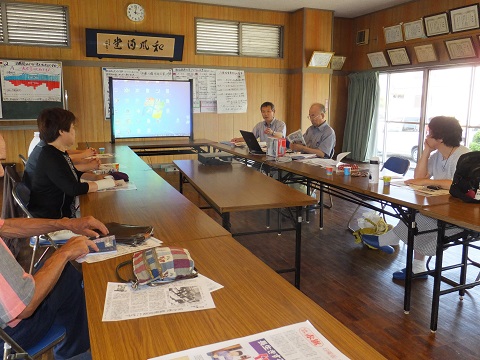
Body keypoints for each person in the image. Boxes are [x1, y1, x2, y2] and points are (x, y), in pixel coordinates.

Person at [365, 116, 469, 280]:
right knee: (417, 214)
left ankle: (390, 241)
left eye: (429, 133)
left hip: (463, 215)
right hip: (445, 208)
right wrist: (427, 151)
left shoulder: (464, 156)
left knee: (419, 217)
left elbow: (458, 185)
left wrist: (428, 181)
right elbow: (419, 177)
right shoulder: (438, 155)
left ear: (440, 137)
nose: (426, 136)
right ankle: (417, 267)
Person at [0, 215, 108, 360]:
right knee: (65, 274)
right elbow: (25, 306)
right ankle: (72, 354)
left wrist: (65, 224)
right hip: (8, 337)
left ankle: (71, 351)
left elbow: (6, 226)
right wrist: (63, 253)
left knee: (60, 273)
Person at [24, 108, 123, 219]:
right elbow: (73, 189)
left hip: (63, 214)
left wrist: (99, 177)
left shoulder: (58, 152)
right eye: (72, 128)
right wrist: (107, 184)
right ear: (61, 131)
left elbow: (74, 173)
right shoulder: (50, 156)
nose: (74, 132)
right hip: (53, 220)